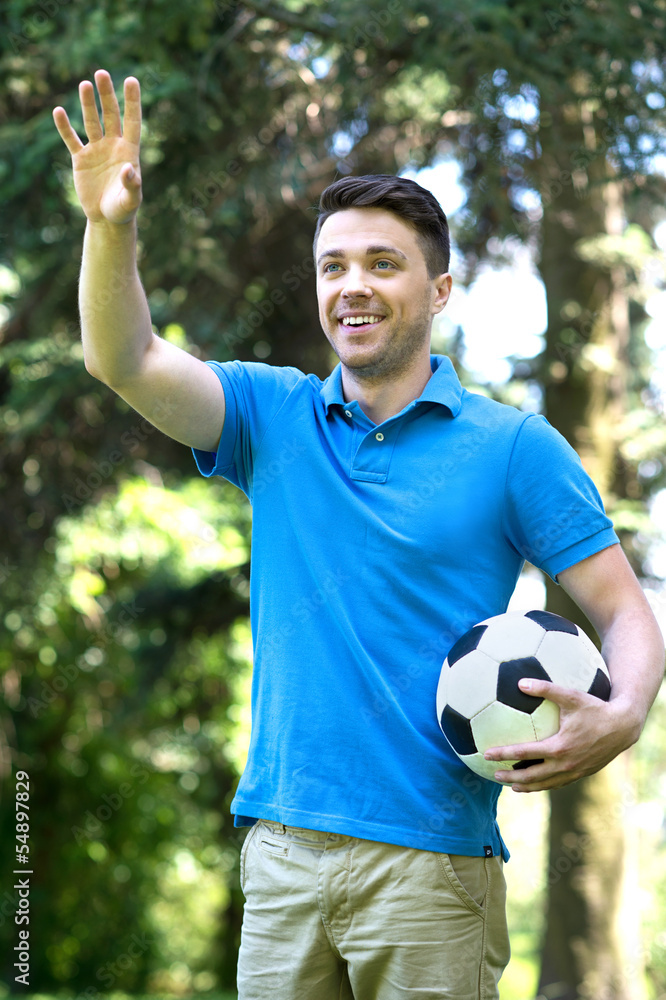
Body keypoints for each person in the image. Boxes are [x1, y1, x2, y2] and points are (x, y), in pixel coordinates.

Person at [53, 69, 665, 1000]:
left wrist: (621, 718)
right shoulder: (271, 415)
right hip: (281, 857)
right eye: (334, 266)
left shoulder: (513, 448)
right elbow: (122, 357)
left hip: (432, 868)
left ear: (441, 288)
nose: (353, 286)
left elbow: (625, 612)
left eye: (383, 263)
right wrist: (111, 224)